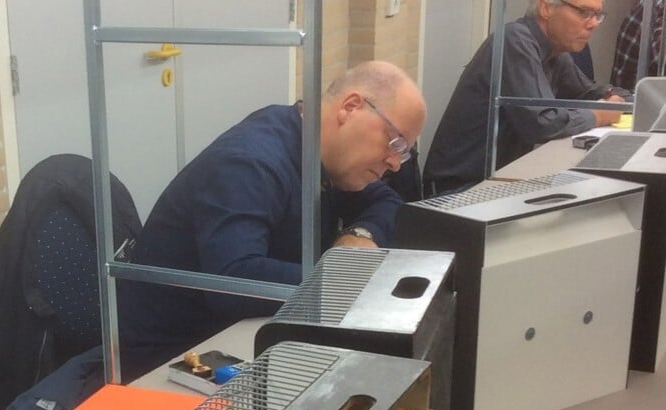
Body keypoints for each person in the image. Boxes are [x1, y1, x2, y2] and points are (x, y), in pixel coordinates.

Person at [116, 60, 426, 378]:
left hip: (238, 337)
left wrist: (360, 233)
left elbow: (387, 202)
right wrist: (344, 277)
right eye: (395, 142)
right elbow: (235, 282)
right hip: (166, 362)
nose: (395, 163)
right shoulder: (249, 163)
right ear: (350, 107)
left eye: (404, 152)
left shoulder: (322, 153)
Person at [423, 0, 630, 197]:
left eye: (598, 15)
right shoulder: (514, 41)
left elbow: (592, 92)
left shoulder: (556, 52)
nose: (593, 24)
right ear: (545, 7)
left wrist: (619, 98)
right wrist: (598, 115)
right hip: (458, 190)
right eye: (584, 12)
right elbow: (542, 123)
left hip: (497, 181)